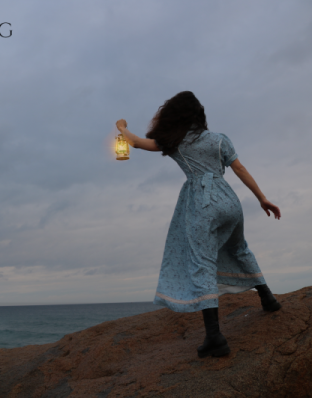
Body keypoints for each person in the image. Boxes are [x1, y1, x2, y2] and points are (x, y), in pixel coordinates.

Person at [115, 91, 281, 359]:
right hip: (230, 201)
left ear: (175, 115)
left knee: (202, 263)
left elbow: (133, 142)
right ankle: (268, 299)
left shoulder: (175, 141)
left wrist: (121, 126)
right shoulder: (219, 140)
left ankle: (215, 337)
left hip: (202, 205)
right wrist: (262, 199)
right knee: (240, 249)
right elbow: (240, 169)